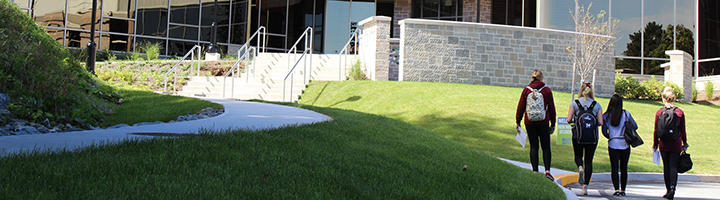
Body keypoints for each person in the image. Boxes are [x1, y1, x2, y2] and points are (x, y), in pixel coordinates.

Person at [515, 70, 557, 181]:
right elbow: (552, 108)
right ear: (542, 78)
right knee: (546, 146)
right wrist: (553, 123)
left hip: (530, 122)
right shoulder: (546, 90)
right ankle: (547, 171)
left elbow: (521, 107)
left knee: (534, 146)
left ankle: (535, 171)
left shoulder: (526, 90)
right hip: (543, 122)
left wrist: (518, 121)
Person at [567, 82, 604, 195]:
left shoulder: (575, 103)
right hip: (592, 137)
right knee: (589, 160)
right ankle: (585, 187)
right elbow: (601, 122)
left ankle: (580, 167)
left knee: (578, 155)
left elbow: (568, 119)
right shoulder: (596, 105)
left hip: (578, 135)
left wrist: (576, 122)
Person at [653, 86, 689, 200]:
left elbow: (656, 130)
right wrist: (685, 142)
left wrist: (655, 144)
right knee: (673, 166)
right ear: (673, 98)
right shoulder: (679, 112)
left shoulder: (659, 112)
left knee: (666, 167)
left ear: (663, 98)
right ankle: (673, 188)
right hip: (675, 142)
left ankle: (668, 189)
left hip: (664, 143)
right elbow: (682, 129)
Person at [602, 94, 637, 196]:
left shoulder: (606, 116)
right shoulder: (626, 114)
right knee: (624, 168)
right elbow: (635, 126)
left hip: (613, 143)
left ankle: (616, 189)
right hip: (624, 143)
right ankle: (623, 190)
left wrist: (611, 136)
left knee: (614, 168)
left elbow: (604, 131)